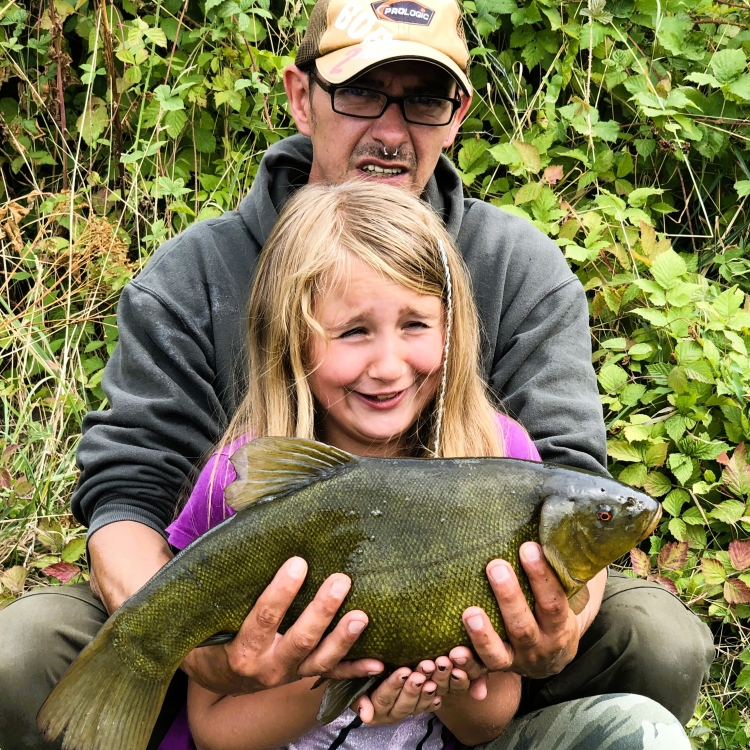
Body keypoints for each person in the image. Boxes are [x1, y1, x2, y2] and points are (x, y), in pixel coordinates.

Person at [0, 0, 713, 746]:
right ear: (300, 95)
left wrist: (553, 633)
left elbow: (568, 480)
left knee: (658, 641)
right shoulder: (190, 275)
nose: (392, 130)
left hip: (463, 621)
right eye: (362, 92)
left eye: (424, 100)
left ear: (458, 115)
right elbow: (127, 495)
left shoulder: (520, 267)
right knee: (21, 655)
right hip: (229, 587)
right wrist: (206, 656)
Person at [161, 180, 688, 750]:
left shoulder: (500, 455)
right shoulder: (241, 480)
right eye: (354, 331)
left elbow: (488, 721)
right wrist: (338, 674)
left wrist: (446, 686)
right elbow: (214, 731)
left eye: (415, 324)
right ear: (292, 339)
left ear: (451, 328)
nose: (389, 365)